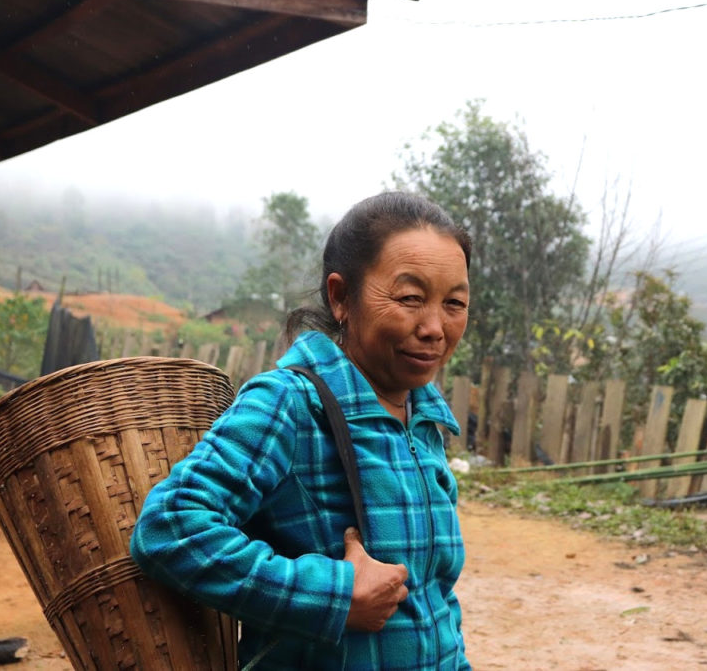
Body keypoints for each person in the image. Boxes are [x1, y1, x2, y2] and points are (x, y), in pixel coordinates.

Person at [130, 191, 472, 670]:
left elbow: (434, 605)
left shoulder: (424, 421)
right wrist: (332, 595)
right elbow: (170, 527)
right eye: (410, 298)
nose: (435, 326)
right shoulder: (290, 404)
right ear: (340, 297)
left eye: (454, 302)